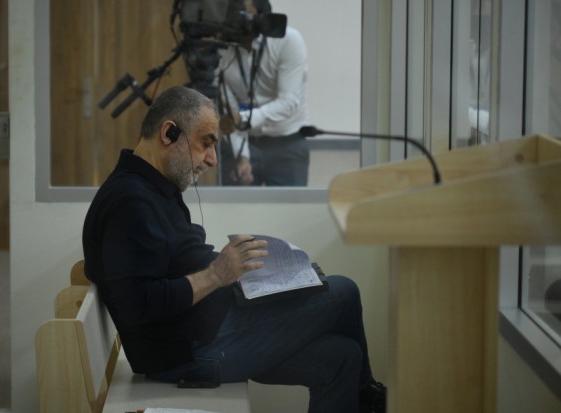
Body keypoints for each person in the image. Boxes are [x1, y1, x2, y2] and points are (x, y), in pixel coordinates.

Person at [82, 85, 386, 413]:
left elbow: (170, 266)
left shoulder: (152, 188)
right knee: (344, 292)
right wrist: (216, 274)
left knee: (341, 357)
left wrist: (249, 277)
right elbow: (136, 304)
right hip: (191, 353)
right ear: (169, 133)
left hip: (211, 329)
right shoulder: (130, 202)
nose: (212, 159)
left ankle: (366, 393)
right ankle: (371, 398)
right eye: (206, 143)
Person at [218, 0, 310, 186]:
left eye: (242, 11)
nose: (234, 17)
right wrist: (242, 156)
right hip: (243, 142)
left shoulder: (288, 40)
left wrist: (242, 119)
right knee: (234, 203)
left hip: (287, 144)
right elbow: (229, 112)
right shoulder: (222, 49)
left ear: (261, 17)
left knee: (290, 204)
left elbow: (288, 102)